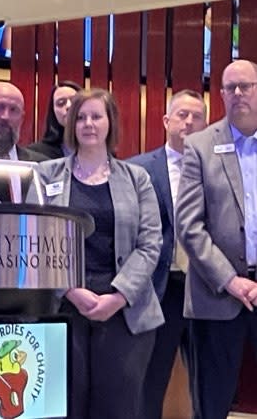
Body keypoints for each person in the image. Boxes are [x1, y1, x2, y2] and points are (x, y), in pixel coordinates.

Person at [37, 89, 163, 419]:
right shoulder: (46, 175)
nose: (88, 123)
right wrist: (70, 291)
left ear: (111, 123)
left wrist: (118, 296)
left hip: (125, 309)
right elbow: (36, 241)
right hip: (65, 303)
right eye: (80, 117)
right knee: (64, 404)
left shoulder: (137, 178)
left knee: (118, 407)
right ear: (70, 124)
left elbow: (150, 244)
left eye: (96, 116)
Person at [176, 59, 257, 419]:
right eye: (231, 87)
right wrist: (230, 280)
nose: (238, 93)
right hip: (216, 295)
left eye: (246, 86)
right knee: (212, 403)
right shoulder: (200, 145)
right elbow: (189, 226)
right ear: (221, 93)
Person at [127, 90, 208, 419]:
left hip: (206, 287)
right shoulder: (138, 170)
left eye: (197, 116)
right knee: (152, 378)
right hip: (162, 288)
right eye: (182, 115)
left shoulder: (215, 168)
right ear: (166, 121)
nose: (189, 122)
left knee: (209, 377)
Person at [28, 80, 82, 159]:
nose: (68, 106)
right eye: (61, 103)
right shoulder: (35, 153)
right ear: (53, 112)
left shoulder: (103, 150)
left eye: (74, 101)